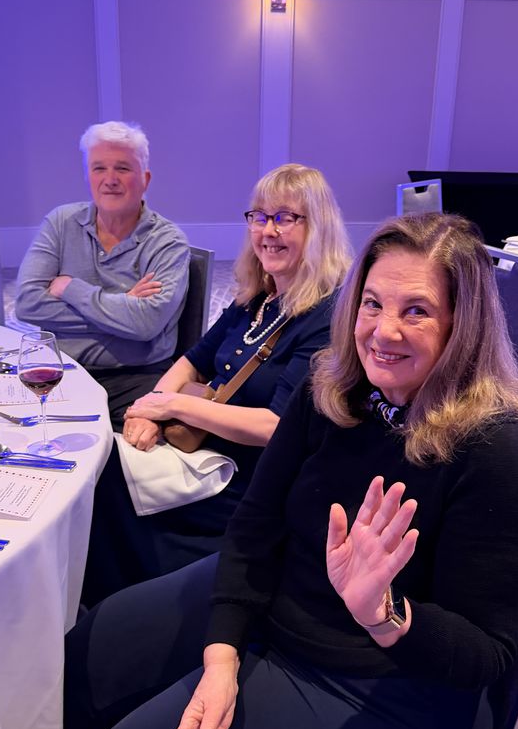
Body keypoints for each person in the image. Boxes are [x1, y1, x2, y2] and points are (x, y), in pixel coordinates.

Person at [64, 212, 518, 729]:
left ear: (464, 326)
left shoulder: (491, 448)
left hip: (390, 689)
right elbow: (254, 529)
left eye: (416, 311)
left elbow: (487, 655)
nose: (383, 330)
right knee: (86, 659)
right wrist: (222, 658)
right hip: (285, 614)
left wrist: (383, 613)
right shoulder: (336, 392)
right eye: (373, 303)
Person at [80, 162, 352, 604]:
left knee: (107, 481)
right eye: (259, 216)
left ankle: (111, 607)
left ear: (318, 227)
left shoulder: (327, 317)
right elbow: (193, 360)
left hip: (249, 479)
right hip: (202, 449)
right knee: (100, 463)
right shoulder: (259, 298)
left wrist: (173, 407)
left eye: (285, 218)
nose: (268, 230)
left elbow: (275, 426)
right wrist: (149, 409)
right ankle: (97, 599)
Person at [15, 121, 190, 428]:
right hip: (63, 372)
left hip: (136, 379)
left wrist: (71, 289)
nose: (110, 180)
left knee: (131, 448)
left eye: (123, 168)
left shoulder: (167, 241)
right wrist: (123, 305)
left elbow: (146, 324)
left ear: (145, 179)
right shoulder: (60, 222)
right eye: (99, 168)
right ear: (88, 176)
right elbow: (27, 304)